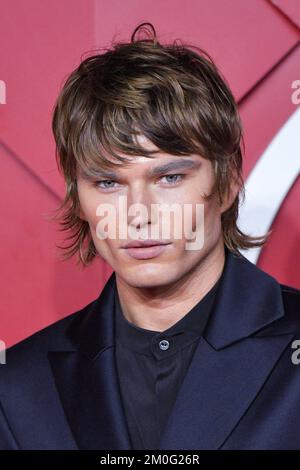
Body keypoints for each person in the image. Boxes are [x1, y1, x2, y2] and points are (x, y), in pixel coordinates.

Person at [0, 22, 299, 450]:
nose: (137, 214)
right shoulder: (19, 386)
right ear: (78, 197)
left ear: (228, 180)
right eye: (108, 183)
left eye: (170, 177)